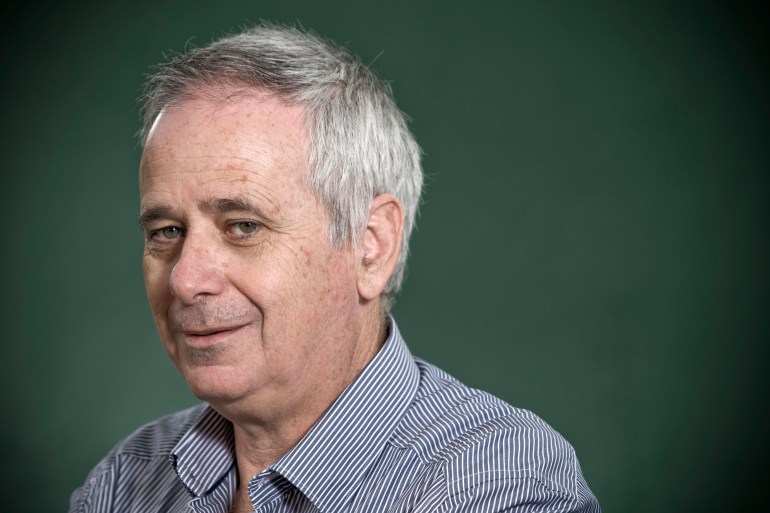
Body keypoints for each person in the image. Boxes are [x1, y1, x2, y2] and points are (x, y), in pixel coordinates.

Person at [69, 23, 601, 513]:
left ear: (371, 245)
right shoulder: (127, 480)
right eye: (166, 232)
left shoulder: (498, 479)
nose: (186, 280)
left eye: (243, 226)